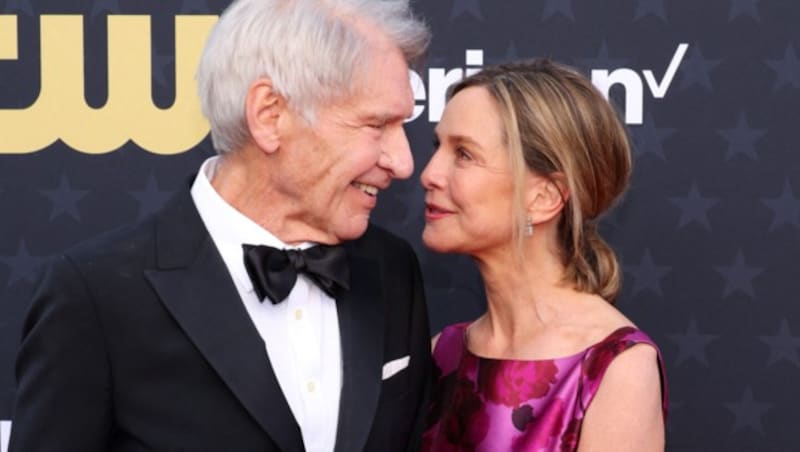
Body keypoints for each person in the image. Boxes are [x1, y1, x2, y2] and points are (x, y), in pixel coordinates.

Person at [10, 0, 431, 451]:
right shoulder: (95, 297)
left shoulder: (391, 269)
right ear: (270, 115)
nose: (404, 163)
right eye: (376, 125)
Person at [419, 59, 667, 451]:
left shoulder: (615, 368)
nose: (429, 173)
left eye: (464, 154)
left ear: (544, 197)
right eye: (439, 147)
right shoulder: (440, 352)